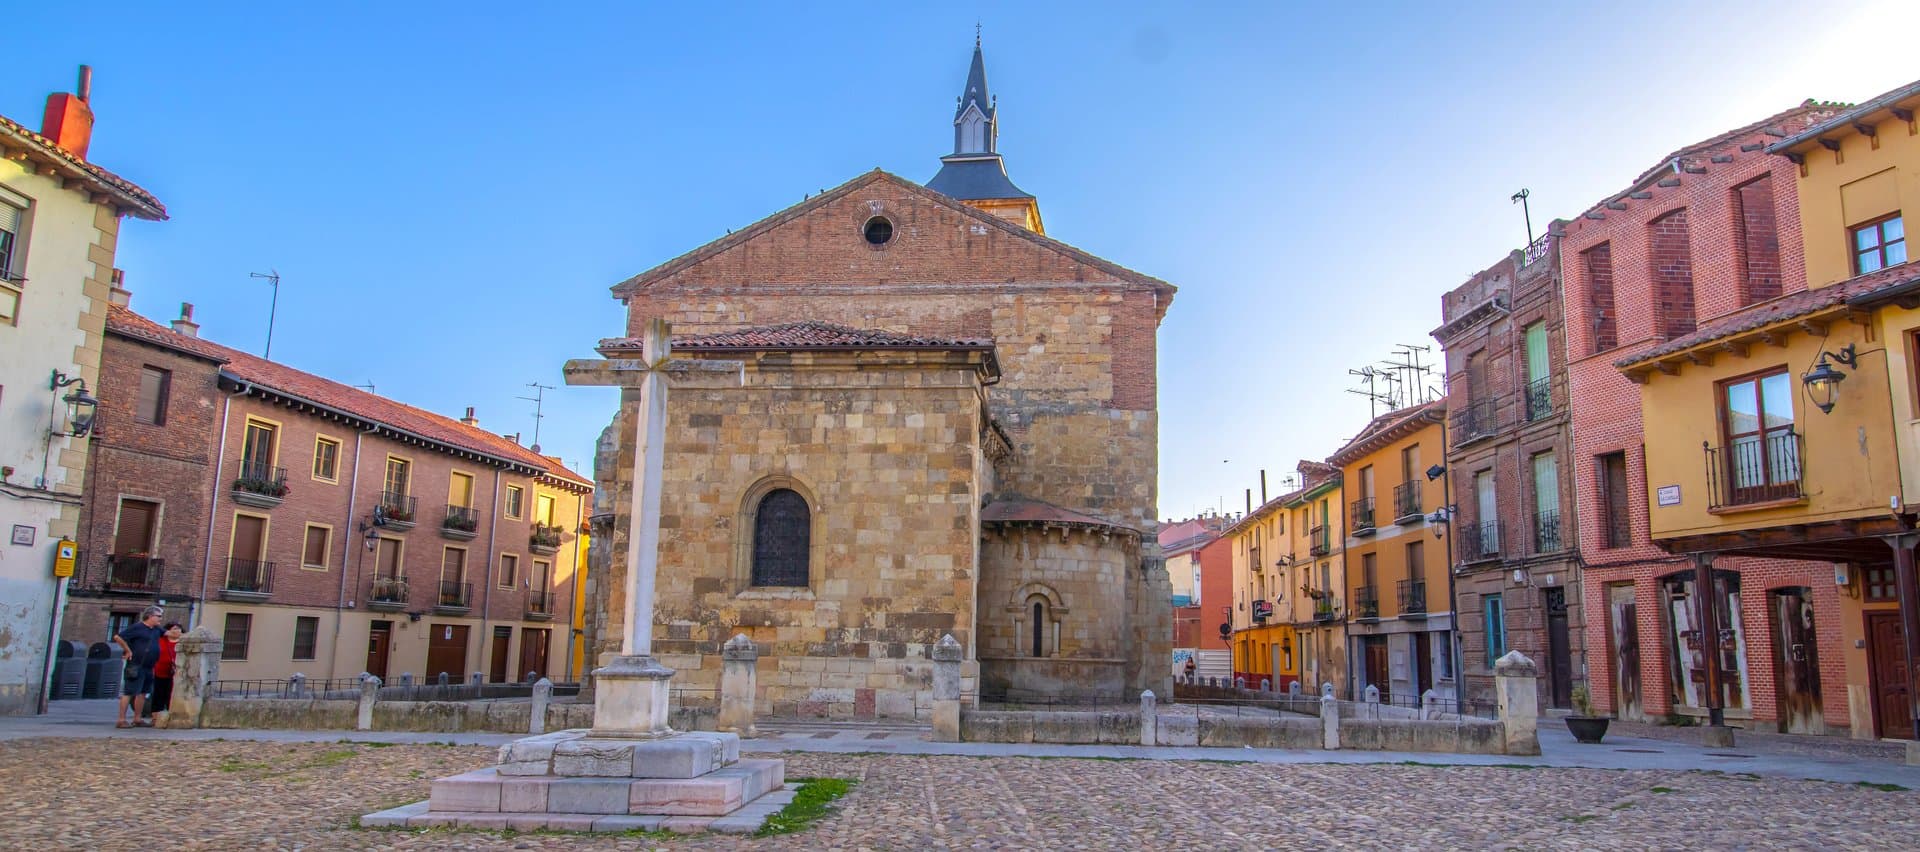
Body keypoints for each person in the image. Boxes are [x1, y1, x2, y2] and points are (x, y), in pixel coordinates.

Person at [111, 607, 165, 728]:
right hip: (136, 665)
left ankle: (137, 718)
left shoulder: (157, 629)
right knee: (129, 692)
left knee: (143, 693)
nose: (160, 618)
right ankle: (121, 719)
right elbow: (118, 637)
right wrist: (128, 650)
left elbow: (168, 634)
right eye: (159, 616)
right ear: (150, 616)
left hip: (149, 666)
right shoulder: (137, 627)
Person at [146, 622, 183, 724]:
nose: (177, 631)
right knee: (158, 694)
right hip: (159, 671)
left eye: (179, 629)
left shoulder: (183, 642)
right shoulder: (161, 640)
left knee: (171, 694)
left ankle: (170, 716)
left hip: (176, 673)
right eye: (175, 628)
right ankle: (155, 717)